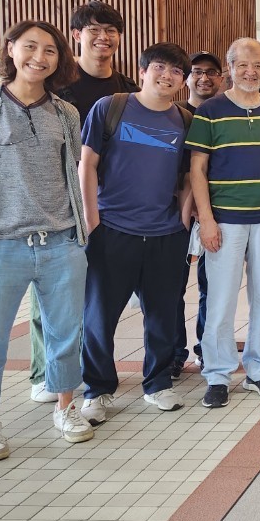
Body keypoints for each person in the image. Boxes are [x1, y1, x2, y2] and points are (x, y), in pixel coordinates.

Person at [0, 20, 93, 461]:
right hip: (0, 246)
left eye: (50, 50)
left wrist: (79, 229)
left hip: (61, 241)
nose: (39, 57)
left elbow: (72, 170)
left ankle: (66, 407)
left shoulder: (66, 113)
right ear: (11, 49)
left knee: (66, 332)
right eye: (30, 47)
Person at [78, 43, 195, 423]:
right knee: (100, 316)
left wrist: (183, 220)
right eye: (159, 67)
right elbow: (87, 164)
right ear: (143, 71)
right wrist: (91, 219)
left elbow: (188, 177)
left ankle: (157, 383)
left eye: (176, 71)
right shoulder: (111, 107)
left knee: (163, 316)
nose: (167, 76)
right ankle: (97, 389)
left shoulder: (184, 120)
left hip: (166, 234)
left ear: (182, 80)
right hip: (112, 230)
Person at [28, 1, 137, 405]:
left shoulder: (127, 89)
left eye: (111, 31)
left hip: (113, 204)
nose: (103, 38)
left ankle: (91, 372)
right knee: (51, 289)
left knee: (100, 295)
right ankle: (44, 372)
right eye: (94, 30)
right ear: (76, 35)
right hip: (60, 202)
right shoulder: (57, 88)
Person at [186, 37, 260, 408]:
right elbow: (197, 169)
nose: (251, 72)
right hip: (225, 221)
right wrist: (206, 220)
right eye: (243, 65)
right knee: (220, 302)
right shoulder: (210, 111)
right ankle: (218, 375)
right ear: (230, 68)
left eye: (258, 65)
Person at [173, 51, 224, 376]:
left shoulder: (224, 114)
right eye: (196, 72)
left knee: (212, 287)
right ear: (186, 78)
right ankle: (174, 353)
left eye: (211, 72)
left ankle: (206, 349)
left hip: (214, 213)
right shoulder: (174, 114)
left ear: (221, 78)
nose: (204, 77)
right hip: (174, 215)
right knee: (172, 288)